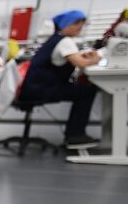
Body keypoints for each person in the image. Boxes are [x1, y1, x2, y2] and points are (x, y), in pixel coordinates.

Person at [17, 9, 101, 147]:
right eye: (76, 23)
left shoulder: (56, 39)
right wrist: (96, 59)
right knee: (87, 92)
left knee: (82, 90)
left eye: (81, 23)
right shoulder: (65, 41)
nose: (80, 27)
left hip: (33, 87)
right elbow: (80, 64)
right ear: (65, 25)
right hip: (41, 89)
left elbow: (73, 58)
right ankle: (75, 135)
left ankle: (74, 134)